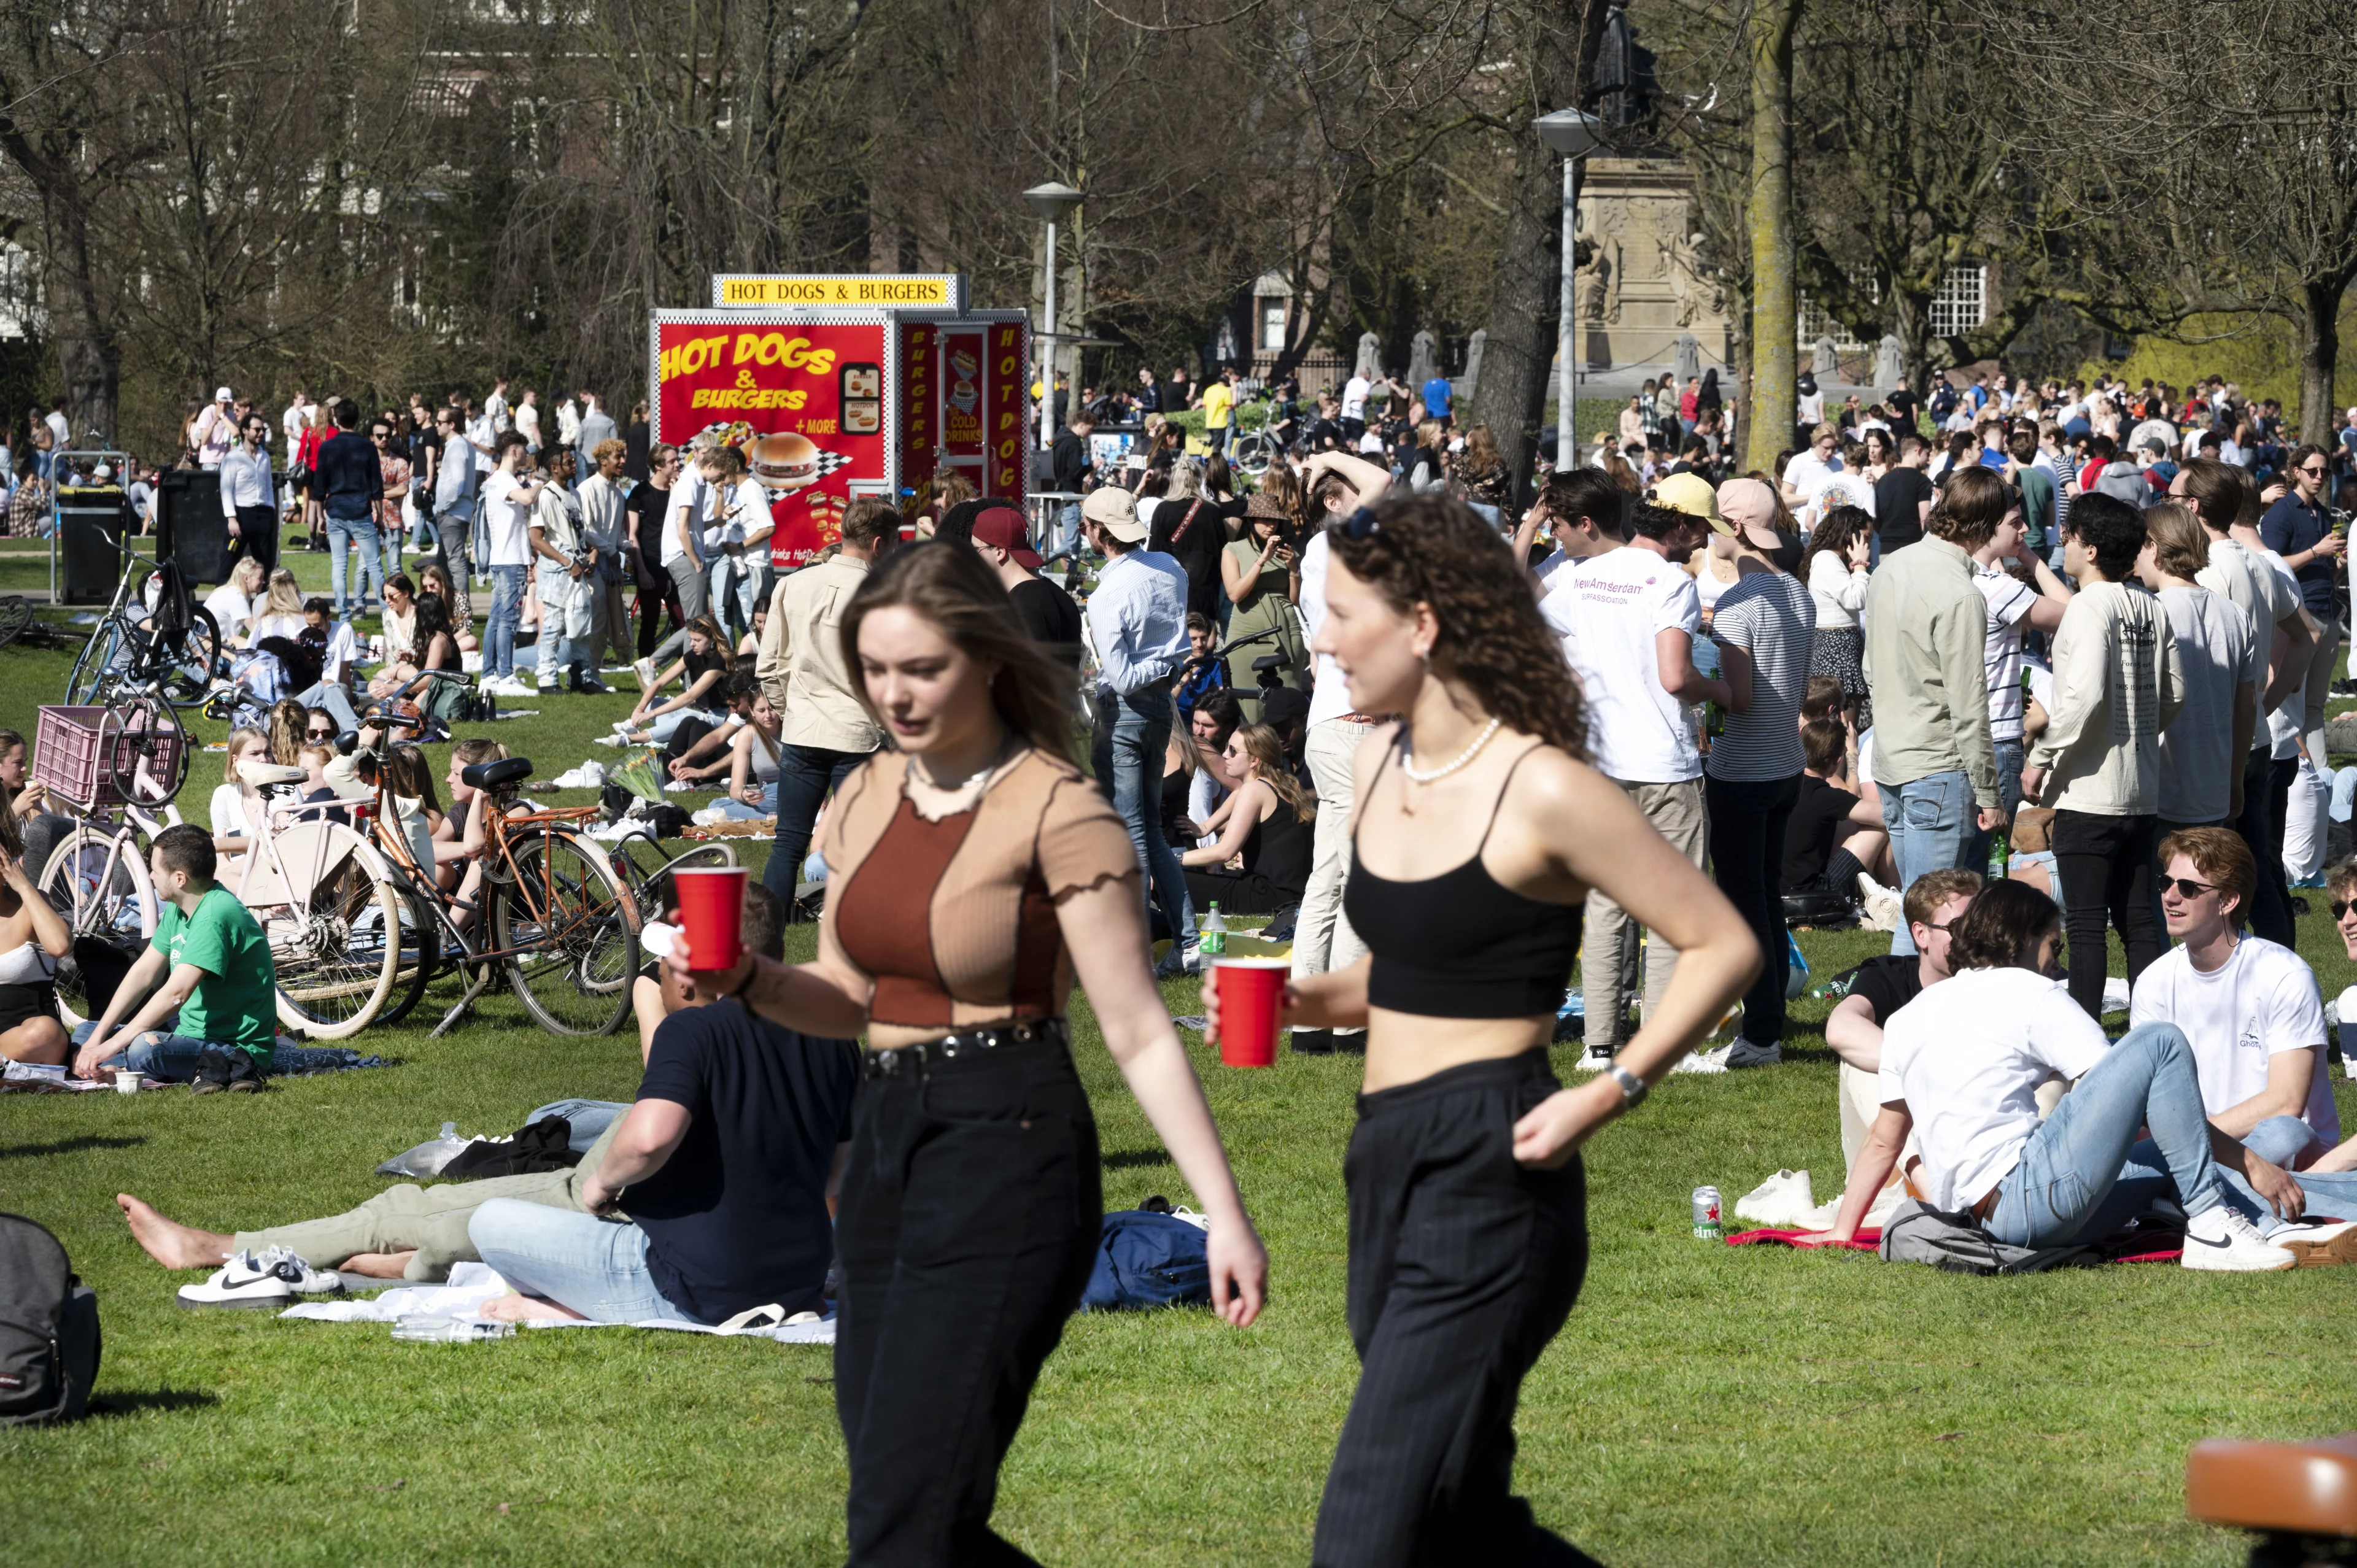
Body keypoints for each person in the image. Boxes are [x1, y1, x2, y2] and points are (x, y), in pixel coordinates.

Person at [665, 539, 1267, 1564]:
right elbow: (849, 997)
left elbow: (1136, 1029)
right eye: (876, 669)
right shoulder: (862, 798)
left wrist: (1226, 1215)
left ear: (986, 661)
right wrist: (750, 981)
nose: (894, 695)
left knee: (903, 1518)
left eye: (922, 668)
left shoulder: (1060, 808)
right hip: (884, 1150)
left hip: (1010, 1144)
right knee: (903, 1500)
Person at [1201, 489, 1754, 1565]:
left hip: (1494, 1164)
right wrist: (1301, 999)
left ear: (1422, 624)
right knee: (1457, 1517)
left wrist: (1609, 1088)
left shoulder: (1542, 783)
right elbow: (1413, 967)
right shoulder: (1379, 762)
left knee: (1365, 1533)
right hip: (1384, 1153)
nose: (1322, 641)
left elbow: (1722, 944)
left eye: (1342, 615)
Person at [1818, 879, 2312, 1272]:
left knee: (2256, 1139)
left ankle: (2224, 1208)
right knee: (2160, 1041)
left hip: (1984, 1219)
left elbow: (1885, 1139)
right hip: (2028, 1203)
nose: (2057, 959)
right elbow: (2135, 1096)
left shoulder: (1908, 1017)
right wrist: (2250, 1161)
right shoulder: (2032, 993)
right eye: (2054, 943)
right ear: (2024, 937)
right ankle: (2211, 1224)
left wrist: (1843, 1231)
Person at [471, 959, 861, 1325]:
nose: (660, 981)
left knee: (490, 1222)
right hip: (799, 1281)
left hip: (701, 1290)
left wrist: (601, 1184)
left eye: (663, 973)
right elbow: (840, 1172)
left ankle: (575, 1307)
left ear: (688, 977)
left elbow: (649, 1140)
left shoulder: (691, 1028)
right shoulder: (832, 1031)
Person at [1535, 470, 1727, 1062]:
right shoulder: (1670, 582)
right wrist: (1722, 691)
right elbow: (1675, 676)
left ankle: (1599, 1044)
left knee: (1607, 904)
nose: (1706, 541)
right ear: (1680, 525)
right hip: (1661, 763)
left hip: (1598, 763)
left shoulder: (1581, 575)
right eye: (1702, 529)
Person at [2022, 492, 2183, 1019]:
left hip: (2089, 793)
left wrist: (2041, 757)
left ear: (2090, 549)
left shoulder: (2087, 606)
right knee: (2140, 924)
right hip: (2141, 790)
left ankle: (2085, 1043)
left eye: (2068, 537)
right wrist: (2137, 728)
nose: (2063, 546)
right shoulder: (2151, 605)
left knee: (2088, 926)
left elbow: (2085, 695)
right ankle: (2154, 1033)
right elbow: (2175, 692)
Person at [2134, 829, 2341, 1178]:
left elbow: (2286, 1101)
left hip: (2274, 1148)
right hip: (2193, 1148)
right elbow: (2152, 1101)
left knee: (2283, 1134)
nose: (2169, 897)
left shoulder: (2284, 975)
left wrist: (2193, 1140)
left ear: (2228, 901)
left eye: (2188, 888)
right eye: (2165, 883)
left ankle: (2179, 1192)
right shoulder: (2153, 983)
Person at [1862, 460, 2007, 956]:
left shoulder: (1890, 568)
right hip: (1935, 768)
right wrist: (1990, 793)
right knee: (1930, 915)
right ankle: (1902, 1000)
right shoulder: (1961, 595)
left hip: (1895, 758)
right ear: (1987, 525)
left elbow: (1871, 669)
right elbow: (1969, 706)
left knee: (1918, 906)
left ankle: (1903, 997)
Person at [1699, 477, 1816, 1067]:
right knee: (1764, 897)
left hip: (1743, 773)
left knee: (1747, 904)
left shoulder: (1738, 604)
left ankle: (1763, 1032)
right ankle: (1767, 1016)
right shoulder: (1798, 591)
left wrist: (1693, 681)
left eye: (1715, 523)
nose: (1709, 535)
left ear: (1737, 528)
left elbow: (1739, 699)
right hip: (1783, 767)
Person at [1082, 486, 1201, 975]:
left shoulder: (1108, 594)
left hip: (1129, 709)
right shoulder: (1169, 568)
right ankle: (1188, 942)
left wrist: (1162, 663)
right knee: (1147, 830)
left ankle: (1135, 951)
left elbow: (1126, 677)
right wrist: (1168, 662)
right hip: (1154, 708)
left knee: (1132, 831)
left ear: (1097, 532)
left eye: (1088, 526)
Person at [754, 498, 892, 909]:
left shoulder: (793, 584)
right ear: (879, 544)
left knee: (788, 845)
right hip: (858, 735)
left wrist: (790, 711)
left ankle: (767, 940)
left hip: (807, 730)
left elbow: (769, 665)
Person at [71, 825, 277, 1088]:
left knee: (144, 1049)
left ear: (180, 878)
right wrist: (97, 1041)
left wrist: (109, 1047)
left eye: (155, 871)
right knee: (86, 1032)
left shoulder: (215, 916)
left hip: (234, 1048)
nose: (151, 876)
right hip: (189, 1035)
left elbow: (176, 994)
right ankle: (123, 1065)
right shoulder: (180, 908)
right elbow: (143, 973)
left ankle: (125, 1068)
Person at [1822, 868, 1978, 1192]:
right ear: (1921, 934)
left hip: (1974, 1150)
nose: (1974, 937)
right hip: (1893, 1173)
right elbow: (1840, 1027)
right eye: (1959, 927)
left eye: (1980, 925)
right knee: (1860, 1065)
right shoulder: (1888, 975)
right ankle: (1931, 1186)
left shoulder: (1996, 980)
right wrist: (1932, 1064)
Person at [1967, 474, 2073, 862]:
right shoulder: (1997, 587)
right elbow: (2075, 614)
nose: (2025, 529)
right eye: (2015, 522)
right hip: (1998, 739)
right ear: (1986, 527)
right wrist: (2030, 558)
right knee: (1987, 861)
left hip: (1959, 736)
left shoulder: (1953, 578)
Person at [2138, 503, 2258, 833]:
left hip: (2161, 792)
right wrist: (2235, 778)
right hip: (2215, 787)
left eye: (2140, 548)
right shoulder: (2235, 614)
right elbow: (2247, 707)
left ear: (2154, 549)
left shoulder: (2150, 613)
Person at [2258, 442, 2342, 773]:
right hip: (2297, 619)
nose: (2320, 476)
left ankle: (2319, 777)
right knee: (2289, 702)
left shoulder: (2323, 513)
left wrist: (2339, 564)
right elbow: (2271, 566)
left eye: (2325, 471)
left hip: (2327, 613)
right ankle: (2290, 773)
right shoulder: (2281, 513)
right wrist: (2316, 552)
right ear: (2295, 472)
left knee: (2315, 704)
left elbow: (2324, 570)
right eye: (2313, 471)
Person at [1180, 722, 1315, 918]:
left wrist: (1173, 860)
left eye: (1233, 751)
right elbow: (1240, 792)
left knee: (1165, 879)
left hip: (1268, 896)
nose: (1225, 755)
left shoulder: (1255, 789)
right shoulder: (1280, 785)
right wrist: (1205, 827)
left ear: (1254, 760)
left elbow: (1225, 851)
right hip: (1287, 892)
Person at [1220, 493, 1307, 718]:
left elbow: (1296, 600)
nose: (1272, 525)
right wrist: (1262, 560)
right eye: (1265, 520)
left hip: (1286, 634)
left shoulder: (1288, 551)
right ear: (1251, 521)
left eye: (1275, 520)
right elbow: (1235, 594)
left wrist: (1293, 569)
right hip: (1246, 636)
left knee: (1288, 710)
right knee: (1249, 710)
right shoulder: (1233, 549)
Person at [0, 806, 71, 1066]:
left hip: (31, 1037)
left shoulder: (30, 905)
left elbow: (60, 946)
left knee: (45, 1032)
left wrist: (24, 887)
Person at [969, 504, 1080, 667]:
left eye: (976, 549)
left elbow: (1024, 679)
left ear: (999, 552)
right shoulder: (1061, 597)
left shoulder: (1019, 611)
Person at [477, 431, 545, 696]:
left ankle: (488, 675)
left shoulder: (495, 480)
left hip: (501, 559)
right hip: (510, 560)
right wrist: (539, 484)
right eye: (524, 450)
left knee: (496, 619)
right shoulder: (505, 480)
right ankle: (505, 676)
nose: (527, 455)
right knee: (508, 620)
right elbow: (527, 499)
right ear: (514, 452)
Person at [1801, 504, 1872, 720]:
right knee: (1841, 728)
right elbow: (1856, 599)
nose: (1868, 544)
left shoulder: (1834, 561)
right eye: (1866, 537)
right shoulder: (1827, 559)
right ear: (1851, 534)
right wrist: (1860, 565)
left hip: (1844, 645)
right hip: (1836, 647)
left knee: (1844, 727)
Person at [314, 400, 384, 619]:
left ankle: (344, 614)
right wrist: (380, 515)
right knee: (374, 565)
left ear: (336, 419)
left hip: (336, 510)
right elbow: (377, 486)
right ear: (357, 419)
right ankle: (387, 611)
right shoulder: (368, 447)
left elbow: (319, 487)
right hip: (361, 511)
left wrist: (320, 516)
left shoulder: (327, 447)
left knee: (339, 565)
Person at [219, 409, 279, 574]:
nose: (261, 433)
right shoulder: (232, 458)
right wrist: (232, 518)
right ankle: (221, 589)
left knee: (265, 564)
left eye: (263, 430)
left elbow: (268, 486)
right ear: (245, 431)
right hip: (241, 514)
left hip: (263, 514)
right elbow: (226, 490)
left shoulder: (264, 457)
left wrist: (271, 509)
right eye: (257, 430)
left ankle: (263, 592)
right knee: (229, 560)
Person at [1873, 433, 1935, 554]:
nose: (1928, 460)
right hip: (1912, 549)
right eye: (1927, 454)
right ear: (1919, 451)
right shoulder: (1922, 481)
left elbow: (1876, 519)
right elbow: (1925, 521)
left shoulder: (1883, 480)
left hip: (1886, 549)